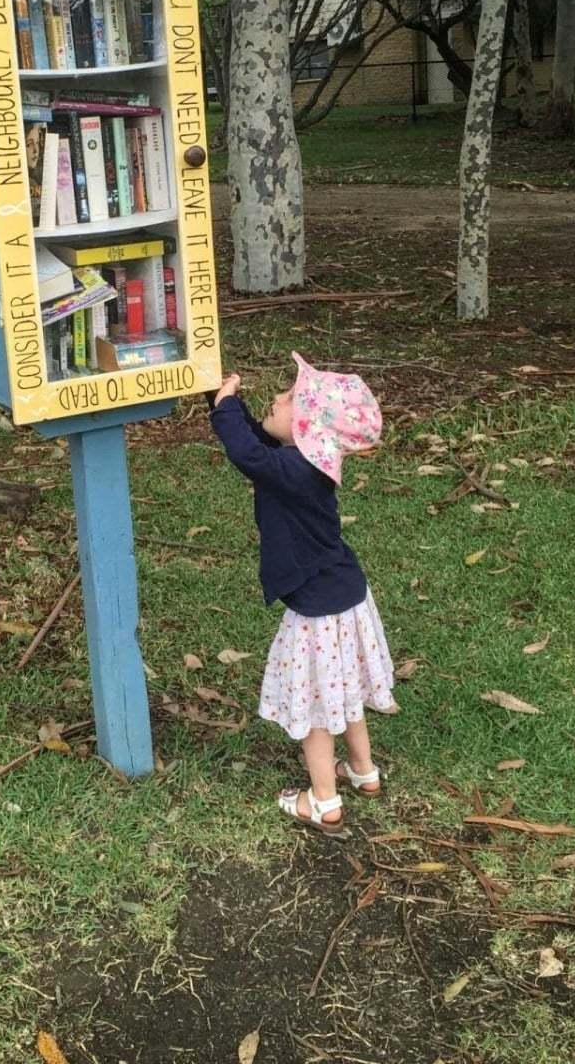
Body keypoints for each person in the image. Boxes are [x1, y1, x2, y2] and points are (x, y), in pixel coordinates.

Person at [206, 354, 396, 834]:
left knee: (316, 705)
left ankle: (324, 801)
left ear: (308, 426)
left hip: (318, 608)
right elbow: (257, 444)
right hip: (344, 590)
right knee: (344, 689)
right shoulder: (303, 462)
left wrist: (226, 409)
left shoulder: (297, 470)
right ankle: (362, 770)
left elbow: (248, 455)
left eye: (289, 398)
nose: (278, 397)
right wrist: (224, 403)